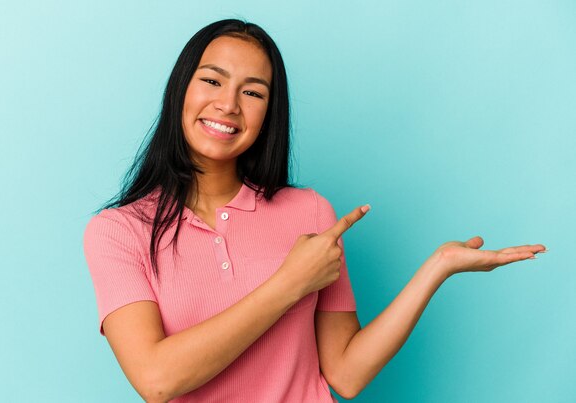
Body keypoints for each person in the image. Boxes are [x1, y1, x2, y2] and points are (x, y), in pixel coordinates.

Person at [83, 19, 546, 402]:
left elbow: (345, 373)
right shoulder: (118, 232)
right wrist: (289, 284)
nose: (227, 104)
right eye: (211, 80)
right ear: (180, 88)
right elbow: (156, 379)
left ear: (270, 113)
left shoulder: (310, 212)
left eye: (253, 92)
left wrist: (437, 268)